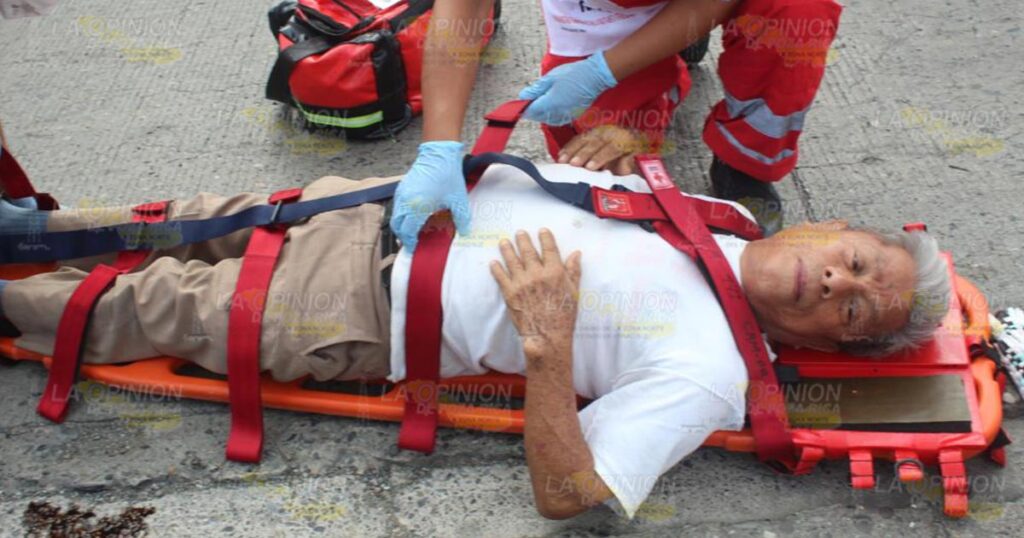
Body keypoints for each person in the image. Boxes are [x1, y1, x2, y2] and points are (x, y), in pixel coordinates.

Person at [0, 160, 948, 519]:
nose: (838, 284)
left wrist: (547, 346)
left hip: (358, 305)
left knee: (137, 305)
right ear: (831, 229)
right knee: (167, 222)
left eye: (853, 311)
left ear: (834, 344)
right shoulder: (726, 219)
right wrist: (608, 145)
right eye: (855, 261)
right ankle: (22, 232)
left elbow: (568, 496)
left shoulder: (712, 372)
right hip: (378, 204)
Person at [390, 0, 843, 246]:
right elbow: (462, 12)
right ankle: (666, 47)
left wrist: (602, 72)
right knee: (606, 164)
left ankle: (744, 162)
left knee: (799, 11)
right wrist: (438, 147)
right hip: (599, 12)